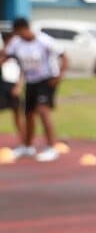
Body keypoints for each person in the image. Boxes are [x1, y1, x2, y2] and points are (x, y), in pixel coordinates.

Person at [4, 17, 67, 161]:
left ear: (25, 29)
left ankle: (51, 147)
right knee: (29, 114)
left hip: (46, 80)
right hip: (30, 81)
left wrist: (60, 76)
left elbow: (64, 56)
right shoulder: (16, 43)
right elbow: (5, 56)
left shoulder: (44, 41)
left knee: (43, 111)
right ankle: (27, 146)